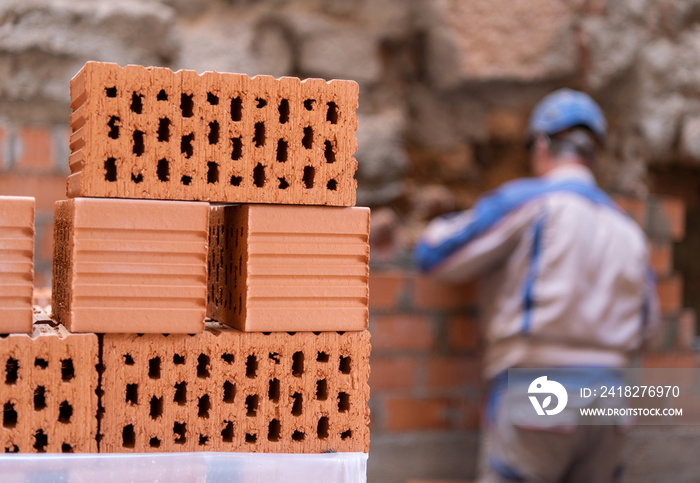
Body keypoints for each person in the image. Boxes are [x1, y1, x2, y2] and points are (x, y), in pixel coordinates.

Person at [414, 89, 660, 483]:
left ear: (543, 145)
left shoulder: (531, 202)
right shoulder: (629, 229)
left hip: (539, 393)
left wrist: (430, 224)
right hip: (609, 401)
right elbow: (649, 326)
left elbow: (437, 256)